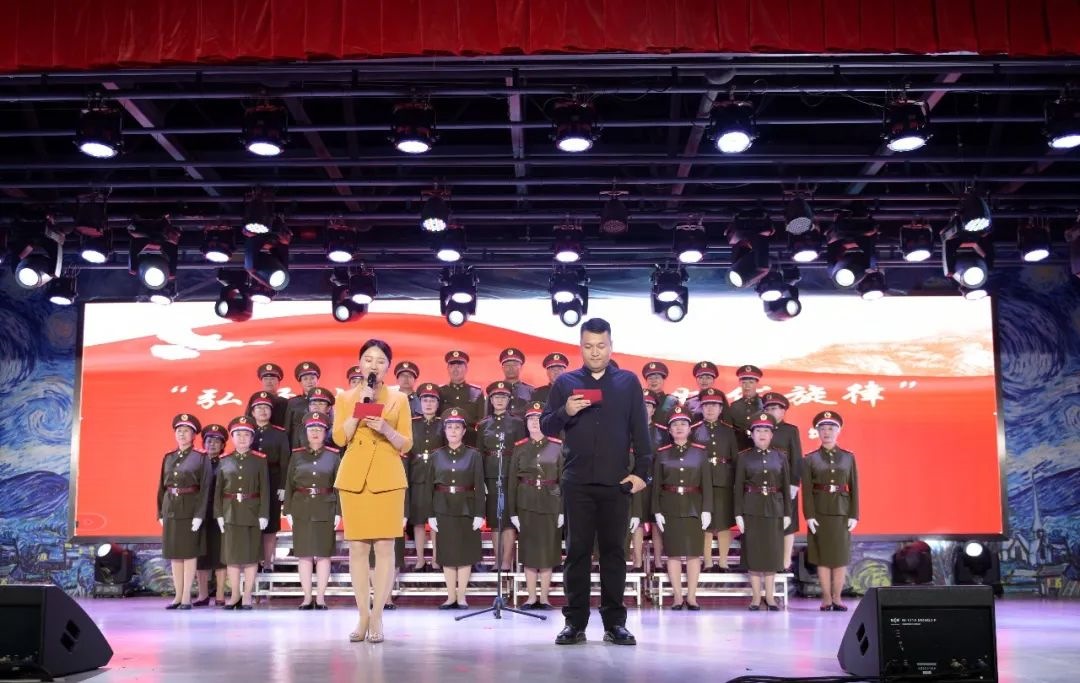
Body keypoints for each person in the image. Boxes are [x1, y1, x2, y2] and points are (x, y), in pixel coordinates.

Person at [540, 317, 652, 647]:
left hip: (617, 483)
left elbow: (640, 431)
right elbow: (546, 426)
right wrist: (566, 411)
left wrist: (642, 473)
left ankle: (615, 623)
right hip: (577, 483)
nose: (595, 352)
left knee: (614, 554)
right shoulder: (566, 382)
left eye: (601, 346)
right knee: (576, 553)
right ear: (580, 347)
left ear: (611, 346)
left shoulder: (628, 382)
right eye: (588, 346)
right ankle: (574, 623)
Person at [332, 339, 412, 644]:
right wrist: (358, 410)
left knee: (385, 547)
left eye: (380, 361)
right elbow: (339, 439)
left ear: (388, 367)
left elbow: (407, 443)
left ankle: (378, 614)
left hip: (387, 477)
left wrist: (386, 429)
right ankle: (362, 615)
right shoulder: (345, 397)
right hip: (354, 478)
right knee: (357, 548)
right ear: (359, 363)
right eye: (368, 359)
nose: (373, 365)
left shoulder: (399, 398)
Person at [652, 406, 712, 610]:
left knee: (694, 554)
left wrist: (707, 509)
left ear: (689, 428)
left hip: (694, 506)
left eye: (683, 424)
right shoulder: (662, 453)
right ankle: (678, 597)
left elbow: (707, 483)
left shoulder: (700, 452)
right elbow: (656, 485)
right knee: (674, 553)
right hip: (669, 507)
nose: (679, 427)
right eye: (675, 424)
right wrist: (657, 510)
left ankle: (692, 597)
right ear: (669, 430)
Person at [426, 407, 486, 609]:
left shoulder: (473, 455)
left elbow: (479, 485)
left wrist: (479, 513)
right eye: (449, 427)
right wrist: (430, 514)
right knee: (447, 554)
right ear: (444, 431)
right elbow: (428, 487)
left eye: (457, 427)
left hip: (466, 508)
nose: (453, 431)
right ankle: (450, 596)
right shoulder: (436, 456)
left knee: (465, 553)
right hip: (443, 507)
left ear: (463, 431)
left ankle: (462, 597)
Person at [508, 401, 564, 609]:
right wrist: (513, 512)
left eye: (538, 419)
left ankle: (545, 598)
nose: (534, 423)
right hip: (526, 503)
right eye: (531, 419)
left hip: (551, 503)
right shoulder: (520, 447)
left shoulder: (557, 446)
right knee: (529, 552)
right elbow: (512, 481)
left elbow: (564, 480)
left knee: (548, 551)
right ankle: (531, 597)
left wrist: (563, 510)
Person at [733, 413, 792, 611]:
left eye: (766, 430)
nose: (762, 434)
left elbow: (785, 487)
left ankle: (770, 597)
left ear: (772, 434)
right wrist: (738, 514)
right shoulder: (744, 457)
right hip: (752, 508)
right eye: (758, 430)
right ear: (752, 434)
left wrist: (787, 513)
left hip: (775, 508)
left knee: (771, 553)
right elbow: (738, 486)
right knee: (754, 553)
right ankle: (756, 598)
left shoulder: (780, 457)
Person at [802, 410, 859, 612]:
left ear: (838, 431)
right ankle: (826, 598)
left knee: (840, 557)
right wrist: (809, 515)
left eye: (831, 428)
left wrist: (854, 514)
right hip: (820, 512)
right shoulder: (810, 459)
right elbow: (807, 491)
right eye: (823, 429)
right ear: (817, 432)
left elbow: (854, 487)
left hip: (842, 513)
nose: (827, 432)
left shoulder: (848, 457)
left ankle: (838, 598)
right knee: (823, 557)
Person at [284, 411, 342, 610]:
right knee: (304, 555)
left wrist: (339, 511)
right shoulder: (297, 455)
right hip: (301, 507)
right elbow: (289, 484)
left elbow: (338, 485)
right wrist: (288, 510)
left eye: (319, 429)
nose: (315, 432)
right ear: (306, 432)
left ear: (325, 432)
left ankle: (321, 598)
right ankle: (307, 597)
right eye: (311, 429)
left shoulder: (333, 456)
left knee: (324, 554)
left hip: (326, 507)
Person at [214, 416, 270, 610]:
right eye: (238, 434)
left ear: (252, 438)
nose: (242, 438)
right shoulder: (224, 460)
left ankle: (247, 595)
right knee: (232, 556)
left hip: (252, 512)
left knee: (251, 555)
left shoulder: (259, 460)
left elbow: (265, 489)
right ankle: (235, 595)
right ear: (232, 437)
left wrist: (264, 514)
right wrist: (218, 514)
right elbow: (218, 490)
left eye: (246, 434)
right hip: (230, 512)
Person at [157, 413, 212, 610]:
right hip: (171, 508)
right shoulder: (169, 457)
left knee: (189, 553)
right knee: (175, 554)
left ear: (194, 435)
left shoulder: (201, 457)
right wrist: (160, 512)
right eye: (179, 431)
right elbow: (161, 487)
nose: (182, 434)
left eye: (186, 431)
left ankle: (187, 595)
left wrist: (199, 515)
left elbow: (205, 488)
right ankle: (177, 596)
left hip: (190, 508)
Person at [477, 380, 527, 571]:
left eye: (503, 397)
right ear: (490, 400)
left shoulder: (517, 423)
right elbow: (480, 453)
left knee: (508, 519)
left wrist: (519, 475)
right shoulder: (484, 425)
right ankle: (498, 560)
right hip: (491, 475)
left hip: (510, 474)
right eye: (496, 397)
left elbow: (521, 451)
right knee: (495, 520)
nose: (499, 400)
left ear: (509, 400)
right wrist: (481, 479)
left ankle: (507, 560)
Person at [692, 387, 740, 573]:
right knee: (704, 523)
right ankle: (708, 562)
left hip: (723, 480)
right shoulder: (694, 430)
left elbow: (734, 458)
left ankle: (723, 561)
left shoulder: (728, 431)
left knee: (723, 522)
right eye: (706, 405)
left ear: (721, 409)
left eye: (714, 405)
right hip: (700, 481)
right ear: (701, 408)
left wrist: (735, 481)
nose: (710, 409)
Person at [248, 391, 291, 573]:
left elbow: (285, 461)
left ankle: (267, 563)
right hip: (251, 484)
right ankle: (252, 561)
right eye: (259, 407)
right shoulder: (246, 432)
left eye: (266, 407)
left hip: (272, 481)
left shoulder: (279, 434)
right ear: (252, 412)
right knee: (252, 522)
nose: (263, 411)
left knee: (271, 524)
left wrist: (283, 485)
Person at [763, 392, 803, 571]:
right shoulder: (760, 429)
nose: (770, 412)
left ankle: (785, 561)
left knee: (788, 523)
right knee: (769, 522)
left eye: (774, 408)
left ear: (783, 411)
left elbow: (797, 458)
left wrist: (795, 482)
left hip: (786, 483)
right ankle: (770, 558)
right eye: (767, 409)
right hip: (765, 484)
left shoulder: (790, 431)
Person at [629, 391, 669, 573]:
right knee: (636, 520)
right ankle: (637, 563)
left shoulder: (662, 431)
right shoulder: (628, 430)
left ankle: (658, 562)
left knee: (656, 521)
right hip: (635, 480)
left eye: (648, 406)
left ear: (653, 410)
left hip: (656, 481)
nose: (644, 409)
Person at [408, 382, 445, 572]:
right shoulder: (411, 423)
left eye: (432, 400)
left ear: (438, 404)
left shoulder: (443, 424)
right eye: (425, 400)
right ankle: (420, 558)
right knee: (418, 519)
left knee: (436, 519)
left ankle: (437, 557)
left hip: (437, 475)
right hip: (417, 475)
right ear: (419, 403)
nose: (428, 404)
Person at [194, 423, 228, 606]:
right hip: (199, 514)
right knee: (200, 555)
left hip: (219, 514)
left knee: (220, 555)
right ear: (203, 443)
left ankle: (221, 594)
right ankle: (202, 594)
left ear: (223, 445)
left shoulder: (226, 462)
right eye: (209, 441)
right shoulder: (197, 462)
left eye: (216, 441)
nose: (212, 444)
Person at [439, 350, 486, 446]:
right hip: (445, 442)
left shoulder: (476, 392)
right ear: (447, 369)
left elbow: (482, 421)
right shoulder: (440, 391)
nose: (455, 370)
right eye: (452, 366)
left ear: (466, 369)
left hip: (470, 441)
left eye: (459, 366)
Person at [723, 365, 764, 451]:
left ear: (757, 383)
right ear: (740, 383)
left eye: (751, 382)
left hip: (761, 450)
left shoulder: (764, 404)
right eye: (744, 382)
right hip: (740, 451)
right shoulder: (734, 406)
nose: (747, 386)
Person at [286, 361, 322, 448]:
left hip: (321, 446)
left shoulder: (325, 401)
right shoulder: (293, 402)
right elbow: (287, 429)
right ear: (300, 382)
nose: (309, 381)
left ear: (317, 380)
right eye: (305, 379)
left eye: (312, 378)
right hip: (297, 446)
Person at [499, 347, 535, 419]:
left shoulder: (531, 391)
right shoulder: (495, 389)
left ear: (521, 367)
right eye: (507, 365)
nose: (511, 368)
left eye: (514, 365)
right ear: (502, 368)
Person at [642, 361, 678, 427]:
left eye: (657, 377)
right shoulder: (640, 399)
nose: (653, 381)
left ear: (663, 380)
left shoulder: (671, 401)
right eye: (650, 378)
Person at [252, 363, 289, 427]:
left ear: (278, 382)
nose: (269, 382)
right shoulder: (254, 400)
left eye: (272, 379)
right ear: (261, 381)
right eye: (265, 379)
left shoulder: (285, 402)